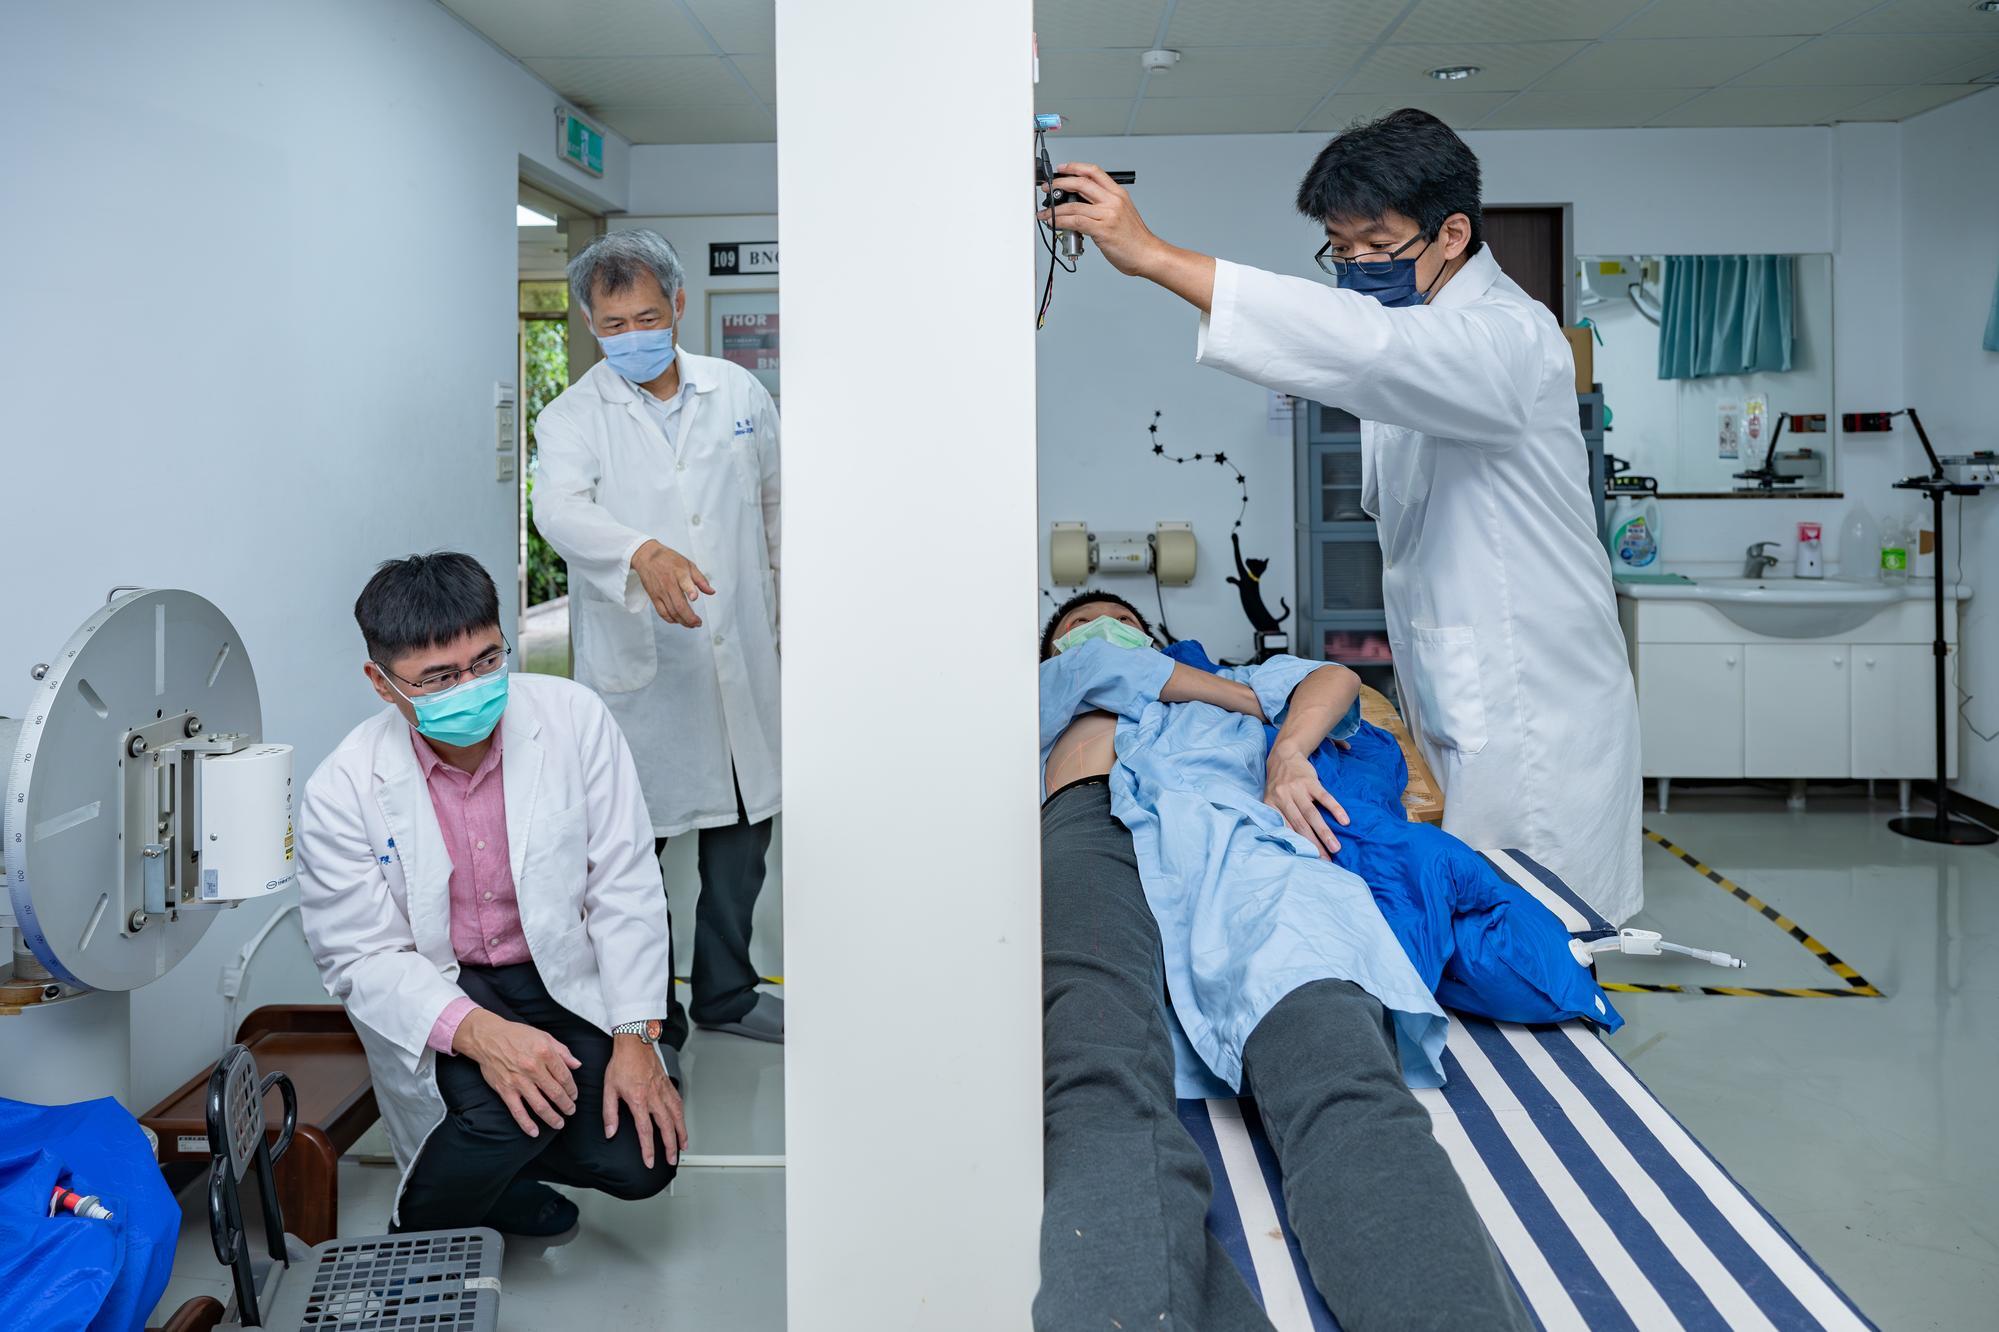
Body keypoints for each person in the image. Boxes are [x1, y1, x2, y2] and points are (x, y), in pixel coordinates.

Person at [1046, 108, 1643, 924]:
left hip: (1528, 699)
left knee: (1538, 924)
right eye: (1340, 247)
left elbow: (1367, 350)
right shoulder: (1426, 326)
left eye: (1375, 245)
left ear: (1452, 234)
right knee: (1467, 912)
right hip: (1455, 680)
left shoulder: (1507, 340)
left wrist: (1151, 257)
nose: (1356, 265)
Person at [1035, 591, 1531, 1332]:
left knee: (1340, 1072)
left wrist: (1287, 750)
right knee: (1095, 1078)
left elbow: (1334, 681)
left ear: (1157, 635)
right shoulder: (1043, 694)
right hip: (1090, 821)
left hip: (1239, 832)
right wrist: (1242, 699)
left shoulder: (1230, 675)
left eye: (1122, 621)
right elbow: (1101, 671)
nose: (1101, 631)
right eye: (1076, 626)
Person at [296, 553, 683, 1238]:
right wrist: (480, 1033)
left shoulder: (573, 718)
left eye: (485, 660)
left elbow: (624, 882)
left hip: (553, 969)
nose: (470, 685)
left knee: (640, 1158)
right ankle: (418, 1237)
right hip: (447, 982)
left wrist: (634, 1037)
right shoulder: (343, 788)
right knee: (502, 1111)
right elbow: (360, 956)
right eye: (440, 678)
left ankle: (498, 1169)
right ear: (382, 684)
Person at [532, 229, 784, 1053]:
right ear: (590, 324)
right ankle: (652, 1022)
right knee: (635, 858)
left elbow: (777, 510)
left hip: (742, 649)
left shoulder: (738, 393)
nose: (632, 335)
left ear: (678, 305)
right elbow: (559, 511)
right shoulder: (572, 418)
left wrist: (786, 623)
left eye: (646, 315)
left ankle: (728, 992)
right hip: (646, 668)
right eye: (612, 324)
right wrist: (639, 551)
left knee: (743, 839)